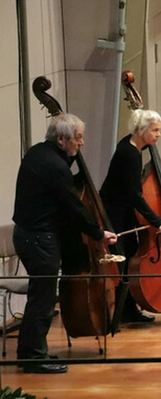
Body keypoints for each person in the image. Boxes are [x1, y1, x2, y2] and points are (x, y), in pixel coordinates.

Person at [12, 113, 118, 374]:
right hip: (40, 238)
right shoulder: (56, 167)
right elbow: (73, 206)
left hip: (25, 234)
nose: (81, 143)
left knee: (39, 296)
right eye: (78, 138)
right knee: (44, 299)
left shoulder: (37, 152)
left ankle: (28, 353)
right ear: (61, 140)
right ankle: (35, 358)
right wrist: (98, 233)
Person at [100, 109, 161, 323]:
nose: (159, 134)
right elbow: (135, 196)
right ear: (142, 130)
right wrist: (157, 222)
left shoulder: (134, 147)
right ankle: (123, 311)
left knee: (130, 254)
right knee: (124, 260)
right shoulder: (129, 153)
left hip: (123, 210)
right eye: (155, 130)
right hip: (114, 212)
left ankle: (128, 308)